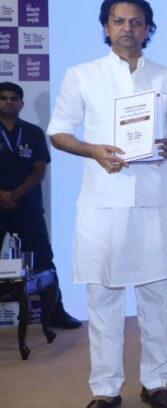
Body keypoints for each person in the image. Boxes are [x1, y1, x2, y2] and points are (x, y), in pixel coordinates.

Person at [48, 0, 167, 408]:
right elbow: (58, 132)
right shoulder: (82, 75)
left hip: (154, 200)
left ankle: (155, 383)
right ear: (106, 27)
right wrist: (92, 150)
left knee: (156, 299)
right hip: (103, 203)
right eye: (119, 21)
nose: (127, 28)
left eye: (136, 22)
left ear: (148, 29)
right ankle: (105, 390)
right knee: (104, 301)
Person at [0, 81, 81, 329]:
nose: (9, 102)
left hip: (28, 206)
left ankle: (56, 313)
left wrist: (15, 194)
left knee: (44, 260)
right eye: (3, 98)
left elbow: (39, 170)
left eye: (14, 98)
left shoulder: (33, 132)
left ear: (21, 103)